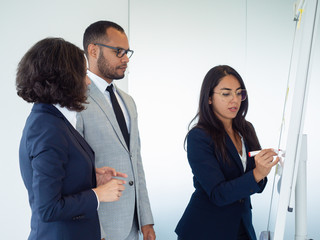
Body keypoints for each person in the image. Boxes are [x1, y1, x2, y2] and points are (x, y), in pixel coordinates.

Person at [16, 37, 127, 240]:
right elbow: (48, 208)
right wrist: (98, 194)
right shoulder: (48, 128)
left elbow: (58, 173)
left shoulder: (52, 121)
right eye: (83, 73)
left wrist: (91, 175)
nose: (87, 81)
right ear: (64, 78)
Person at [175, 65, 279, 240]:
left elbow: (258, 183)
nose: (235, 100)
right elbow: (218, 194)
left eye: (239, 93)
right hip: (206, 229)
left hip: (242, 225)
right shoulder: (199, 137)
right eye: (226, 93)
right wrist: (257, 174)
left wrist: (263, 169)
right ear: (209, 98)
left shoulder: (246, 129)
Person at [76, 21, 155, 240]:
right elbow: (75, 170)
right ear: (93, 50)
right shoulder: (76, 100)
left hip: (132, 225)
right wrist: (94, 230)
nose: (126, 58)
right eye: (118, 51)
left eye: (127, 52)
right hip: (98, 225)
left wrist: (146, 219)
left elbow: (135, 160)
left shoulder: (128, 102)